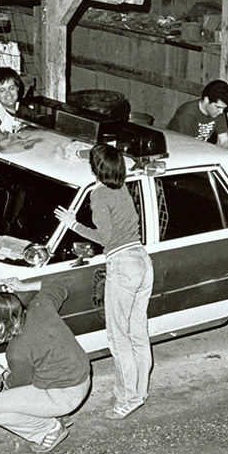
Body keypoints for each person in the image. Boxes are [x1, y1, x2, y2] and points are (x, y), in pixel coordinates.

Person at [54, 144, 154, 419]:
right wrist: (75, 152)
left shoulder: (99, 195)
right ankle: (139, 392)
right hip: (143, 262)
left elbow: (105, 237)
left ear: (96, 170)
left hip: (122, 265)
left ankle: (127, 399)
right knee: (137, 334)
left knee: (118, 338)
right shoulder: (122, 186)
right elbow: (107, 158)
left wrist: (73, 224)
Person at [0, 278, 91, 453]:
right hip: (83, 377)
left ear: (0, 325)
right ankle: (57, 414)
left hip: (66, 395)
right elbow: (59, 285)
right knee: (38, 369)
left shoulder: (16, 350)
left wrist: (1, 373)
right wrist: (23, 286)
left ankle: (49, 429)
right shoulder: (41, 306)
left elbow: (19, 384)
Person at [0, 67, 41, 153]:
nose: (8, 93)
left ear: (17, 88)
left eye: (11, 88)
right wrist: (0, 140)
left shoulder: (18, 107)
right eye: (2, 90)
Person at [165, 79, 228, 151]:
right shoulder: (186, 113)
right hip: (174, 149)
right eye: (218, 107)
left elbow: (225, 141)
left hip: (197, 149)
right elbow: (184, 147)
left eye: (223, 108)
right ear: (206, 100)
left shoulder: (218, 112)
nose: (221, 112)